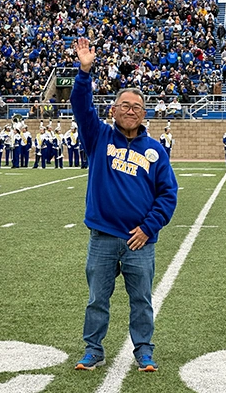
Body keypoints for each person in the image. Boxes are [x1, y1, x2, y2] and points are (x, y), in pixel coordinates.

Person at [71, 37, 178, 372]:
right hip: (103, 237)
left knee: (142, 301)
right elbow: (80, 107)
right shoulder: (98, 136)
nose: (130, 111)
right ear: (113, 110)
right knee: (97, 301)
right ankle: (93, 349)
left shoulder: (156, 150)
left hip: (139, 241)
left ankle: (143, 350)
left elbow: (168, 194)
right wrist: (84, 72)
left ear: (144, 114)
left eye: (137, 107)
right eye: (124, 106)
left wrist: (148, 228)